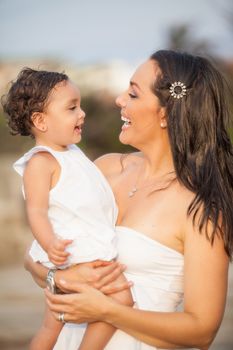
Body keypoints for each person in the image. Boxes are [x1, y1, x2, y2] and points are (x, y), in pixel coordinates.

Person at [26, 50, 233, 350]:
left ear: (165, 113)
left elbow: (201, 331)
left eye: (133, 94)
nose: (119, 100)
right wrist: (59, 278)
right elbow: (32, 259)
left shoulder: (199, 208)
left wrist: (106, 311)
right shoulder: (103, 169)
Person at [2, 68, 133, 350]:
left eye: (81, 105)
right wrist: (51, 245)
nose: (82, 113)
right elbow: (36, 212)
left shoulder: (72, 153)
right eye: (72, 108)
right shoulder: (41, 161)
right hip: (73, 253)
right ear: (40, 121)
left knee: (53, 324)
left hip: (82, 249)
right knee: (120, 300)